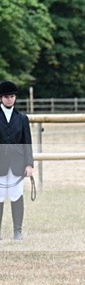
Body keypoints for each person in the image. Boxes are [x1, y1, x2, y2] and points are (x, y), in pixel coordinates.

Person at [0, 80, 34, 240]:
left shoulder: (22, 118)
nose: (9, 99)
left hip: (17, 163)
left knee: (16, 195)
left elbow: (27, 142)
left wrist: (29, 164)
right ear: (1, 98)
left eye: (12, 96)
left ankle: (18, 231)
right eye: (6, 96)